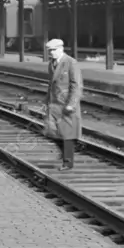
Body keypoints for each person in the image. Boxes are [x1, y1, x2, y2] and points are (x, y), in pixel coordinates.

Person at [44, 38, 82, 171]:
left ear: (61, 49)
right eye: (49, 50)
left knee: (67, 135)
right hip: (54, 104)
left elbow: (76, 85)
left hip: (66, 105)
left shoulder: (71, 63)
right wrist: (47, 101)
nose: (51, 53)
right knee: (53, 132)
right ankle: (65, 154)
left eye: (53, 50)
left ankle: (68, 163)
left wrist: (71, 103)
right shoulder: (51, 64)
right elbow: (51, 85)